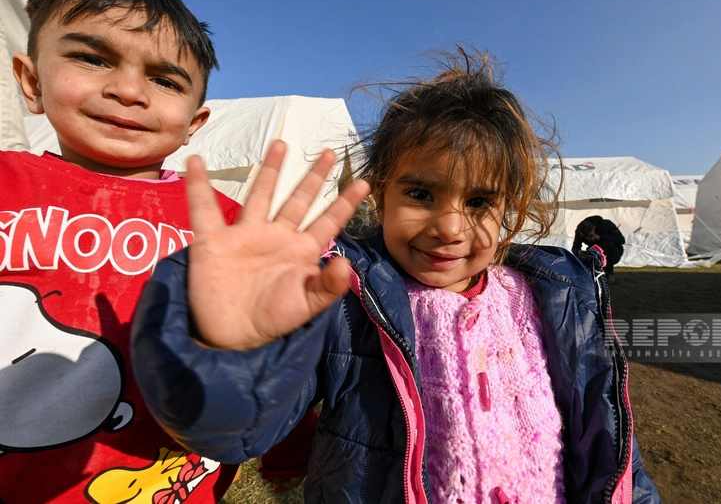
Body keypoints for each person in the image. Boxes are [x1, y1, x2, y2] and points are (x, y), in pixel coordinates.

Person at [131, 50, 661, 503]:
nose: (449, 227)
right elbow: (234, 432)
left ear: (513, 212)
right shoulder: (342, 299)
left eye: (479, 201)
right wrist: (227, 350)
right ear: (380, 192)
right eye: (421, 194)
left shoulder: (555, 298)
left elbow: (611, 441)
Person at [0, 0, 308, 503]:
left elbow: (271, 381)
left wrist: (258, 371)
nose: (127, 90)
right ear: (31, 82)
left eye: (165, 80)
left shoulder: (229, 224)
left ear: (195, 122)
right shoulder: (6, 185)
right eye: (92, 58)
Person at [572, 215, 625, 282]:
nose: (589, 239)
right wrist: (579, 252)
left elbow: (621, 240)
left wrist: (601, 238)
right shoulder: (579, 232)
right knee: (589, 252)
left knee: (608, 244)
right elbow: (575, 248)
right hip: (596, 254)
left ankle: (608, 273)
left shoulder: (607, 224)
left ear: (594, 228)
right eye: (586, 238)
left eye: (591, 236)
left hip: (613, 253)